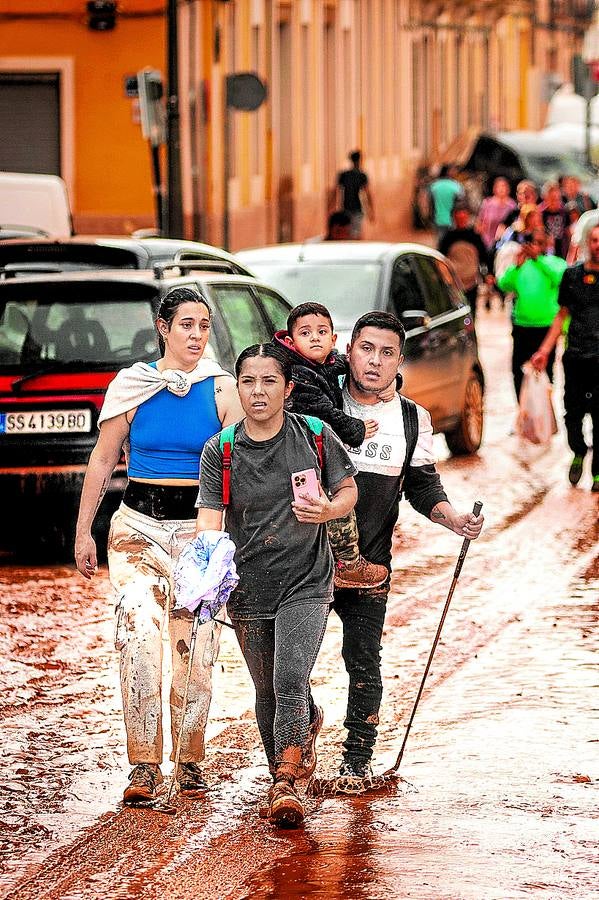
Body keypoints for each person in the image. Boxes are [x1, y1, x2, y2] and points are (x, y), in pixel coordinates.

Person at [74, 286, 243, 805]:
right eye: (186, 324)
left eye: (204, 325)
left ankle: (189, 759)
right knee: (138, 631)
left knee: (196, 644)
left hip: (200, 535)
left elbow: (245, 464)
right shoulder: (133, 386)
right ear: (163, 328)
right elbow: (103, 461)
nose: (196, 334)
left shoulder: (222, 388)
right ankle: (144, 765)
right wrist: (84, 530)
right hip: (136, 530)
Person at [195, 342, 359, 827]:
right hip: (247, 586)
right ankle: (283, 768)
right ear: (237, 387)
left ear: (288, 389)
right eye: (249, 381)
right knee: (266, 692)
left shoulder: (314, 435)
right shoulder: (220, 450)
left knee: (289, 678)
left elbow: (347, 489)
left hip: (308, 580)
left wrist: (328, 510)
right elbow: (209, 519)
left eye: (270, 381)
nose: (258, 391)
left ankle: (288, 780)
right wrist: (203, 575)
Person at [330, 311, 484, 786]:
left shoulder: (413, 419)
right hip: (305, 565)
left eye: (386, 352)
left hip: (370, 565)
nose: (374, 361)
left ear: (400, 359)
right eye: (366, 349)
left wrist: (454, 518)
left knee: (363, 658)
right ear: (349, 350)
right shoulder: (319, 402)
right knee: (288, 665)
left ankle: (357, 759)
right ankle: (294, 749)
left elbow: (421, 486)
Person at [274, 301, 389, 588]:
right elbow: (325, 414)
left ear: (334, 339)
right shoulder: (297, 374)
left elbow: (356, 367)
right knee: (331, 501)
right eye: (306, 333)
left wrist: (390, 380)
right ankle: (347, 564)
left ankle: (325, 564)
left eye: (322, 331)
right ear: (291, 341)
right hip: (300, 453)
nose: (315, 338)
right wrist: (356, 429)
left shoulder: (329, 363)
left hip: (317, 451)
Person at [531, 224, 599, 492]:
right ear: (586, 243)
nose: (597, 245)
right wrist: (544, 350)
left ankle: (597, 474)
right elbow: (562, 315)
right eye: (594, 240)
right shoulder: (572, 276)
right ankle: (579, 451)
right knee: (573, 412)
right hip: (575, 357)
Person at [497, 228, 567, 400]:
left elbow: (562, 277)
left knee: (545, 372)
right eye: (532, 243)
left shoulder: (554, 262)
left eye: (540, 243)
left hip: (546, 327)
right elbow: (504, 284)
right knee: (518, 370)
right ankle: (523, 411)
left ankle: (544, 412)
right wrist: (516, 266)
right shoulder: (522, 266)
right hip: (522, 326)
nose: (535, 246)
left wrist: (539, 260)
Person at [439, 201, 492, 320]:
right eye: (458, 217)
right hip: (453, 284)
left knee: (471, 313)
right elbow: (440, 259)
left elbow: (484, 256)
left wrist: (488, 274)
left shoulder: (474, 236)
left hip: (471, 282)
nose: (461, 220)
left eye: (463, 216)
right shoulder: (448, 237)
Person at [336, 150, 374, 238]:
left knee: (348, 233)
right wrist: (371, 211)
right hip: (357, 209)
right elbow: (368, 194)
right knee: (356, 234)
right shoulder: (362, 175)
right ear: (360, 160)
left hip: (345, 207)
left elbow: (336, 192)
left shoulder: (344, 175)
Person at [475, 177, 517, 250]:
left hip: (505, 242)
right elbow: (479, 222)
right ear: (494, 188)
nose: (501, 189)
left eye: (504, 186)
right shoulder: (487, 203)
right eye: (499, 186)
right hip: (486, 240)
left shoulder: (512, 205)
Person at [429, 165, 463, 245]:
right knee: (450, 242)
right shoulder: (456, 186)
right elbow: (461, 203)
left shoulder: (434, 185)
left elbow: (431, 203)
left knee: (440, 240)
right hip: (452, 219)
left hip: (438, 218)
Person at [540, 180, 571, 259]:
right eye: (552, 199)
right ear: (545, 198)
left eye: (557, 198)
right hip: (545, 247)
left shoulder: (564, 212)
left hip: (562, 246)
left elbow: (568, 231)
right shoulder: (540, 212)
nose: (555, 202)